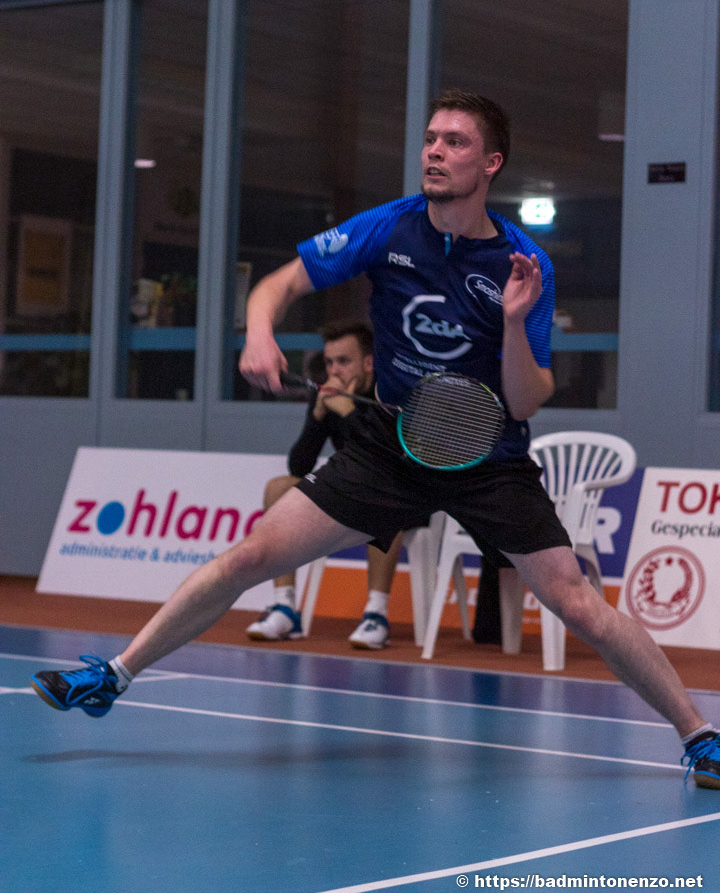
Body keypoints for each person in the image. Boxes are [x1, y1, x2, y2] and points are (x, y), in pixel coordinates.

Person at [30, 89, 719, 790]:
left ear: (490, 163)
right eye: (431, 138)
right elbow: (279, 284)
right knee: (252, 555)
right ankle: (114, 675)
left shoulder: (523, 263)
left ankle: (700, 737)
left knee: (576, 602)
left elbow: (525, 398)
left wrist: (515, 320)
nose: (434, 152)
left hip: (488, 456)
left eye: (454, 142)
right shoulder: (388, 228)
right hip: (390, 444)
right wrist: (259, 332)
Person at [246, 319, 405, 650]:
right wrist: (319, 414)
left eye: (343, 361)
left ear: (369, 362)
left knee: (384, 495)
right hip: (346, 490)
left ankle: (376, 614)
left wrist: (348, 411)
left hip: (399, 492)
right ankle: (285, 607)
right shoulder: (328, 395)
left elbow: (387, 459)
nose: (334, 371)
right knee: (279, 487)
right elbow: (299, 466)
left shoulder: (388, 393)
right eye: (329, 362)